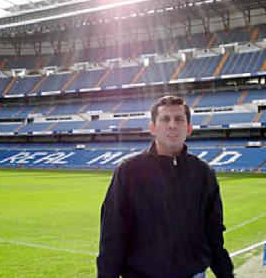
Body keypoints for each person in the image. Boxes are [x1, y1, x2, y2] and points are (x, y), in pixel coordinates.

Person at [97, 95, 234, 278]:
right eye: (165, 119)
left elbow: (214, 233)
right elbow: (112, 234)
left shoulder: (204, 173)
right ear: (152, 128)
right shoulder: (128, 172)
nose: (172, 125)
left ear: (189, 128)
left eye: (179, 119)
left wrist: (226, 274)